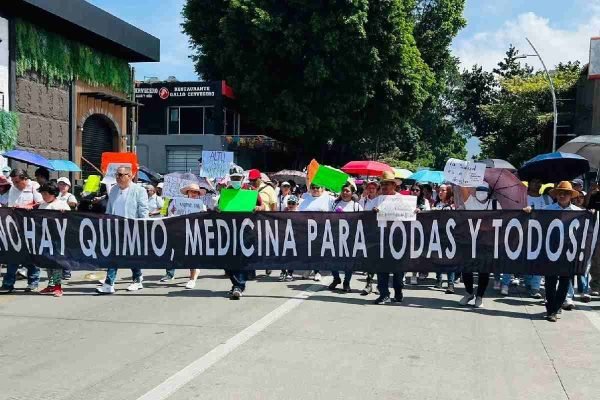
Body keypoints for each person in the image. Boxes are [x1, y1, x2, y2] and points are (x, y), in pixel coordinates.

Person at [526, 181, 582, 322]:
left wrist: (591, 214)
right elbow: (536, 220)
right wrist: (529, 211)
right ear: (556, 195)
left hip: (568, 252)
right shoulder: (548, 209)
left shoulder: (578, 212)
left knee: (564, 282)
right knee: (550, 281)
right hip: (550, 251)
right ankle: (551, 309)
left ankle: (556, 307)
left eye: (566, 193)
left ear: (571, 195)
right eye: (560, 193)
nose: (562, 195)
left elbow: (585, 229)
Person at [97, 166, 149, 294]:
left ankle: (137, 279)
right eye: (117, 175)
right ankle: (109, 283)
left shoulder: (139, 190)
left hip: (132, 229)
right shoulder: (114, 190)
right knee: (113, 255)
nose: (118, 177)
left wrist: (142, 228)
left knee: (132, 256)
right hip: (116, 229)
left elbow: (143, 211)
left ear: (129, 176)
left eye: (121, 175)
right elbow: (109, 209)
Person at [457, 182, 501, 308]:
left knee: (484, 271)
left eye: (484, 190)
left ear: (489, 192)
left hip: (487, 243)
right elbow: (463, 188)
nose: (481, 192)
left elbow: (501, 220)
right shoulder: (470, 201)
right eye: (479, 189)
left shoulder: (495, 204)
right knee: (467, 268)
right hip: (470, 241)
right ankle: (469, 292)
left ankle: (480, 296)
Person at [0, 169, 43, 293]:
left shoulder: (34, 186)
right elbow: (6, 203)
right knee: (12, 254)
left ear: (25, 179)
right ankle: (8, 283)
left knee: (30, 255)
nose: (15, 184)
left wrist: (30, 206)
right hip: (15, 226)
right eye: (13, 181)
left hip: (31, 226)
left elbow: (41, 203)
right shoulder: (12, 189)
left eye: (17, 181)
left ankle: (33, 281)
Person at [161, 183, 205, 288]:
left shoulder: (201, 205)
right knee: (174, 253)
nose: (194, 194)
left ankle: (192, 279)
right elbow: (170, 214)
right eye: (192, 191)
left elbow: (204, 219)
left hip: (194, 233)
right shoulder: (177, 203)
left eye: (196, 192)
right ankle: (170, 274)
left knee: (192, 255)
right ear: (187, 192)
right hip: (179, 232)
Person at [373, 171, 405, 304]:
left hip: (398, 239)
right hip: (381, 239)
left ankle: (398, 291)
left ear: (394, 185)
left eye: (387, 184)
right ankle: (384, 294)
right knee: (381, 268)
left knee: (398, 270)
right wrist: (372, 212)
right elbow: (366, 215)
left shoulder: (402, 199)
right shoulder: (377, 200)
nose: (385, 186)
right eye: (383, 184)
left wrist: (415, 212)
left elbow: (409, 215)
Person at [37, 182, 71, 297]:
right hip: (45, 238)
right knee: (48, 263)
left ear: (53, 193)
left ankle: (57, 286)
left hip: (57, 239)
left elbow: (70, 219)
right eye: (42, 194)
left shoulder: (61, 204)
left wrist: (64, 214)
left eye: (46, 194)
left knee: (56, 263)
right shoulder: (42, 205)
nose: (43, 196)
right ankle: (51, 285)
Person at [329, 182, 363, 292]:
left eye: (347, 191)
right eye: (343, 190)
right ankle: (336, 278)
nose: (345, 193)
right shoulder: (334, 204)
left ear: (352, 193)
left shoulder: (356, 206)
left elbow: (362, 220)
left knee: (349, 261)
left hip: (350, 237)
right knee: (332, 259)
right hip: (336, 235)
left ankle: (346, 282)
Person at [298, 182, 334, 281]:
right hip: (307, 229)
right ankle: (309, 268)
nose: (315, 189)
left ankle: (317, 271)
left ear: (322, 188)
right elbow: (299, 214)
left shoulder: (329, 199)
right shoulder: (305, 200)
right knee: (308, 251)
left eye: (317, 187)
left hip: (322, 229)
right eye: (313, 187)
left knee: (317, 251)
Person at [433, 184, 458, 293]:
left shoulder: (453, 205)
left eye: (443, 190)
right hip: (437, 234)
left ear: (448, 192)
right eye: (439, 190)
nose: (440, 192)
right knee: (437, 258)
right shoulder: (436, 204)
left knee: (449, 260)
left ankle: (450, 284)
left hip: (450, 236)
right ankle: (438, 280)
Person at [408, 183, 431, 285]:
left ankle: (416, 273)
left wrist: (421, 211)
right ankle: (405, 273)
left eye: (417, 190)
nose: (414, 192)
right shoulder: (406, 201)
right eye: (413, 190)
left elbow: (429, 213)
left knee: (418, 252)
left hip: (421, 229)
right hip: (408, 229)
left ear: (421, 191)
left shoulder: (425, 201)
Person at [279, 195, 300, 281]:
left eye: (293, 203)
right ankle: (283, 271)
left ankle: (290, 273)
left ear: (297, 204)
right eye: (289, 203)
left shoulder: (300, 214)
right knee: (283, 255)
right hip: (284, 236)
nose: (291, 205)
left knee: (292, 256)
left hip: (294, 237)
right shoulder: (283, 213)